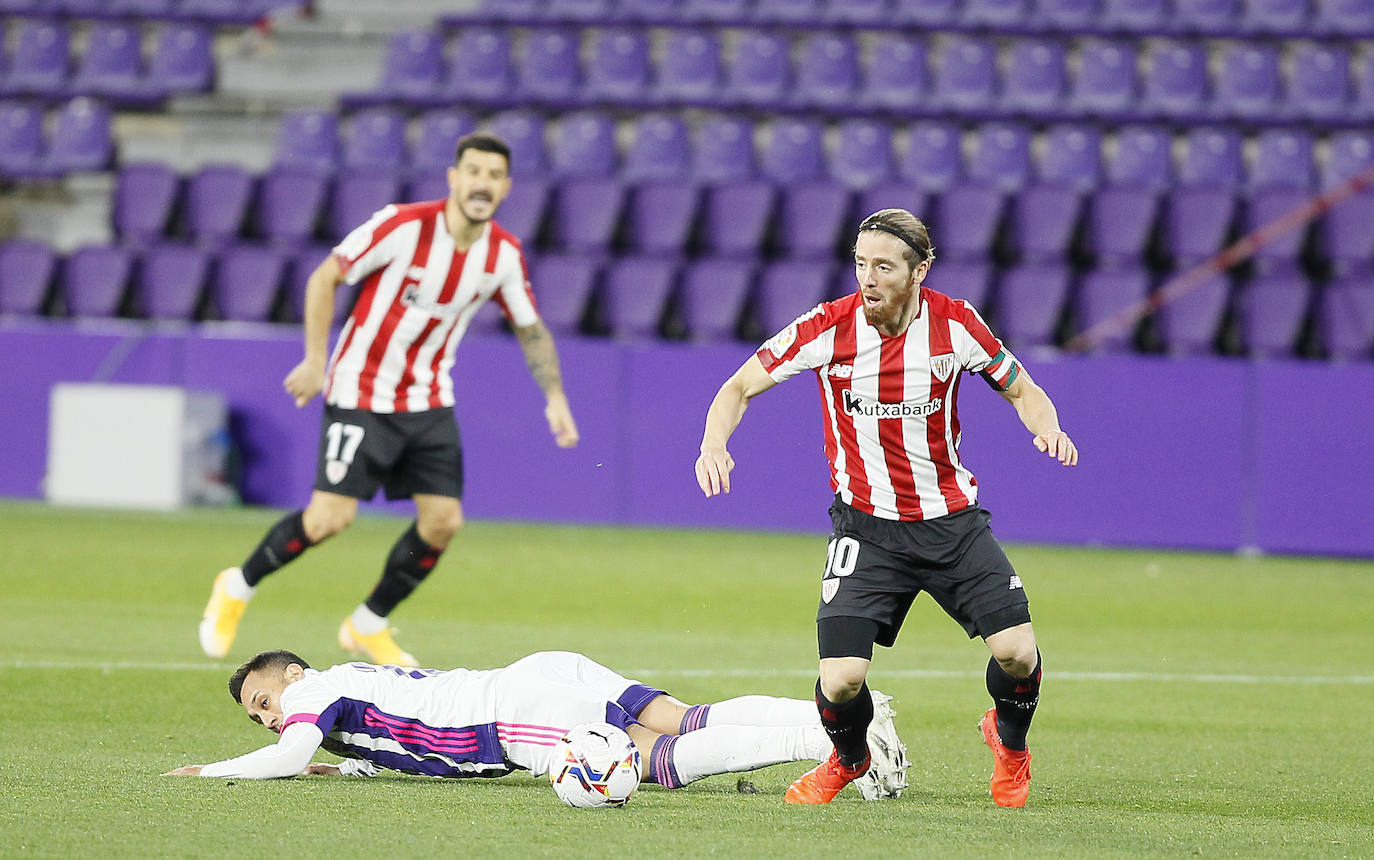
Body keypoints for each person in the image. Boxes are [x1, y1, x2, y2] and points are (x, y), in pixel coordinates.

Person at [694, 209, 1079, 807]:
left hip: (952, 523)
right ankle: (849, 759)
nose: (867, 278)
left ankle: (1009, 743)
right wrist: (714, 443)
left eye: (883, 265)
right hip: (867, 528)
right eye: (860, 263)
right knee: (841, 679)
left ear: (920, 269)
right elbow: (737, 386)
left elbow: (1022, 388)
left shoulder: (956, 326)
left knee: (1017, 652)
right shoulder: (828, 327)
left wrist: (1046, 427)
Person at [198, 133, 579, 668]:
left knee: (444, 521)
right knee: (328, 519)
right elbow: (326, 275)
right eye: (474, 171)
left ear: (506, 187)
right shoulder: (403, 225)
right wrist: (314, 359)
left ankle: (368, 623)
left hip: (427, 398)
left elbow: (531, 328)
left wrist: (555, 396)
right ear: (454, 177)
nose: (482, 183)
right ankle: (236, 585)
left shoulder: (503, 254)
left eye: (494, 176)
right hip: (360, 391)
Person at [162, 648, 909, 800]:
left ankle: (833, 744)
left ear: (290, 674)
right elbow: (387, 744)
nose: (267, 718)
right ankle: (848, 718)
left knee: (663, 760)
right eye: (258, 717)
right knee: (689, 716)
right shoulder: (346, 699)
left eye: (261, 699)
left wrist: (212, 770)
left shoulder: (311, 693)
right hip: (537, 672)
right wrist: (341, 764)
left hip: (513, 718)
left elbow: (287, 756)